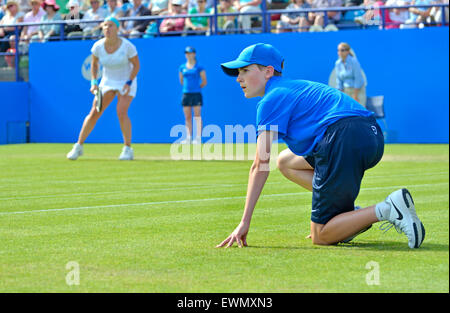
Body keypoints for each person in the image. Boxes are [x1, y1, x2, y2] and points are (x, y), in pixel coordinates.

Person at [216, 43, 425, 249]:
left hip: (344, 137)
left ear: (268, 71)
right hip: (371, 136)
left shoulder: (271, 99)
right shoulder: (293, 87)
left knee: (321, 235)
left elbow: (260, 164)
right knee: (286, 161)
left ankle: (388, 209)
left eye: (245, 70)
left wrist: (244, 222)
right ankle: (348, 217)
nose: (239, 78)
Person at [67, 16, 140, 161]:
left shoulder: (128, 46)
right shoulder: (98, 46)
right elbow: (94, 65)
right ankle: (78, 146)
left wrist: (128, 82)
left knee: (121, 112)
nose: (107, 28)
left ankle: (127, 149)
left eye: (111, 25)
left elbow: (136, 65)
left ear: (117, 28)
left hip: (126, 81)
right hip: (107, 82)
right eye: (105, 25)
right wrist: (93, 82)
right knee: (94, 112)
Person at [178, 46, 207, 144]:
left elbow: (204, 81)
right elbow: (181, 80)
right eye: (186, 53)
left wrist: (196, 88)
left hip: (196, 94)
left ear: (194, 54)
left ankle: (198, 138)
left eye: (190, 53)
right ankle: (189, 138)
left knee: (197, 116)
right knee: (187, 117)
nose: (188, 55)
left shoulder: (199, 67)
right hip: (186, 94)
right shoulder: (182, 67)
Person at [334, 42, 366, 107]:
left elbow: (358, 79)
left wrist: (355, 96)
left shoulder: (354, 61)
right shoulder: (337, 63)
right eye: (338, 50)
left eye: (342, 50)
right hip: (346, 91)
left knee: (359, 112)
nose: (339, 52)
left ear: (348, 51)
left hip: (358, 91)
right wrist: (342, 95)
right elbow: (339, 81)